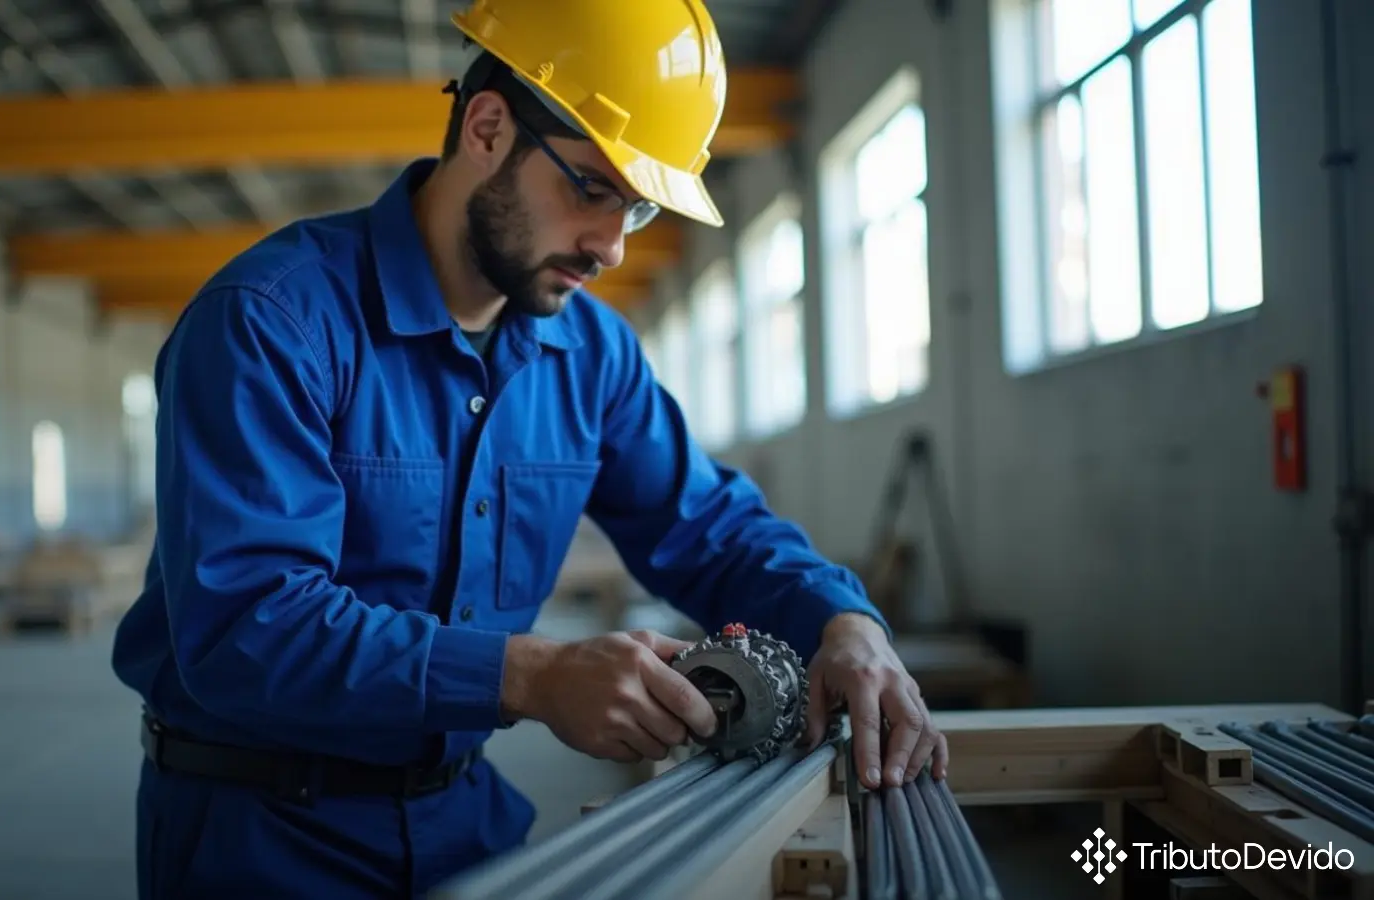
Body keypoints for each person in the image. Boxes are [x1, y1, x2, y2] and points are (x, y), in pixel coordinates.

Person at [110, 0, 948, 896]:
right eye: (592, 188)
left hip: (467, 822)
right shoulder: (273, 322)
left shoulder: (590, 356)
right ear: (486, 125)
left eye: (633, 206)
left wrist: (842, 621)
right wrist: (532, 675)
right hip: (262, 838)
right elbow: (247, 628)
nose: (611, 246)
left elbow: (706, 526)